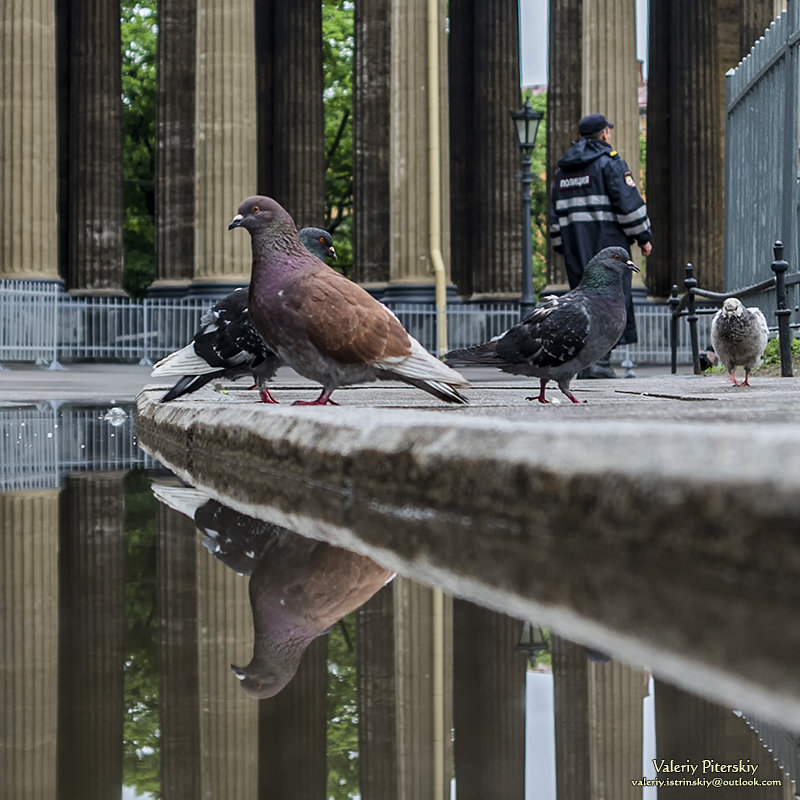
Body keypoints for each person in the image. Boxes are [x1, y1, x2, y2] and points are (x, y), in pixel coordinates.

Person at [549, 113, 652, 378]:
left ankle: (584, 365)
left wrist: (565, 248)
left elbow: (554, 220)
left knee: (581, 305)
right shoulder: (610, 164)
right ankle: (601, 364)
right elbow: (629, 205)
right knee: (613, 303)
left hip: (576, 252)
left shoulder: (563, 171)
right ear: (604, 134)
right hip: (610, 250)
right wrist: (643, 237)